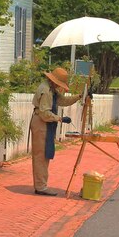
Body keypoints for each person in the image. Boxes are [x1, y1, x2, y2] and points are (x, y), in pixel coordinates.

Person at [30, 67, 82, 196]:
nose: (60, 87)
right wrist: (59, 118)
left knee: (44, 155)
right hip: (41, 123)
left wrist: (79, 96)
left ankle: (41, 185)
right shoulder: (46, 91)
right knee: (41, 156)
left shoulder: (51, 89)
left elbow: (62, 100)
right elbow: (44, 113)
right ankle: (41, 187)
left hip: (44, 123)